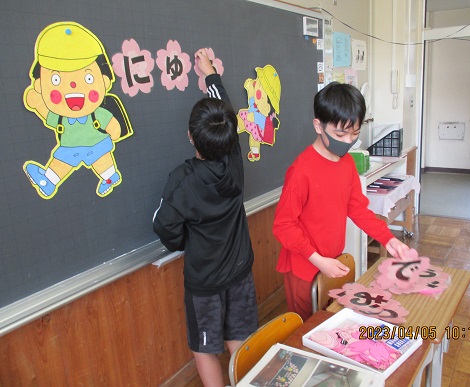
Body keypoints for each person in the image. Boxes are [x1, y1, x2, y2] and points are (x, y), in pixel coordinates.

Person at [153, 48, 258, 387]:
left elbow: (163, 226)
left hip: (205, 283)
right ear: (231, 137)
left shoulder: (182, 181)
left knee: (204, 348)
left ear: (190, 137)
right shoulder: (234, 161)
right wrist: (210, 73)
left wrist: (186, 242)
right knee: (238, 338)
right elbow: (226, 111)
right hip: (240, 272)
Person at [272, 81, 412, 322]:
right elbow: (283, 226)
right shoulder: (301, 171)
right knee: (306, 328)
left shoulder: (346, 163)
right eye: (340, 134)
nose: (348, 141)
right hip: (304, 267)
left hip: (331, 260)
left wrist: (388, 240)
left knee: (330, 321)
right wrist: (317, 260)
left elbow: (357, 208)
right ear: (318, 125)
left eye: (354, 133)